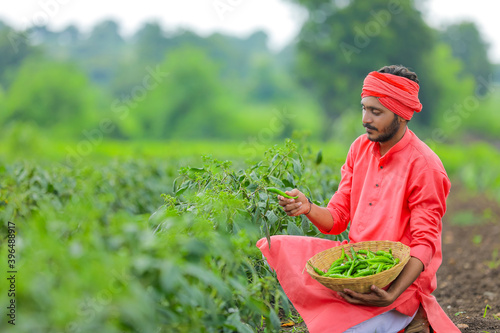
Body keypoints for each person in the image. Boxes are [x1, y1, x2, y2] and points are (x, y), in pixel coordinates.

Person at [256, 65, 460, 333]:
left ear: (401, 115)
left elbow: (424, 244)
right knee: (279, 247)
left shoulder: (425, 166)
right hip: (356, 272)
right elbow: (337, 220)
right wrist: (308, 207)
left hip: (398, 285)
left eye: (376, 112)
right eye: (364, 108)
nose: (366, 118)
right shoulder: (359, 149)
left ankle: (414, 317)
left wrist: (391, 294)